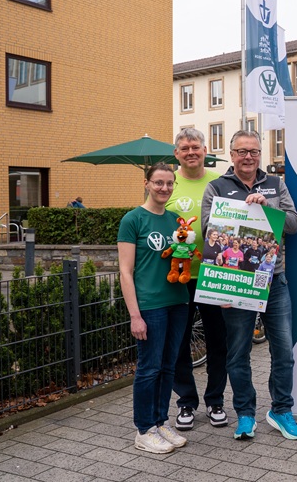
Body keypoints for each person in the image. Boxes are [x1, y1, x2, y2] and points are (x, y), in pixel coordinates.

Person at [201, 130, 297, 441]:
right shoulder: (216, 187)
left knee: (283, 350)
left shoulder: (276, 184)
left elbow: (295, 223)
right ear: (231, 155)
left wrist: (266, 210)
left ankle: (281, 410)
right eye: (242, 151)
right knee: (237, 352)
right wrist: (242, 213)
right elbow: (208, 230)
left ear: (260, 154)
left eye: (254, 151)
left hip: (275, 279)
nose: (248, 156)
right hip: (236, 282)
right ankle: (245, 414)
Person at [117, 162, 190, 454]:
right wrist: (135, 315)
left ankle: (161, 421)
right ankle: (144, 428)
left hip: (178, 301)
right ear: (146, 183)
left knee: (169, 365)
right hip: (150, 305)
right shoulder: (132, 219)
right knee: (149, 368)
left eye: (170, 183)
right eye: (158, 182)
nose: (164, 188)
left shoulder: (176, 220)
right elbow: (125, 271)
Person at [166, 128, 230, 431]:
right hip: (179, 277)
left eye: (196, 147)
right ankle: (186, 403)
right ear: (176, 153)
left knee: (218, 340)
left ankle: (215, 400)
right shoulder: (168, 184)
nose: (191, 152)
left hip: (214, 274)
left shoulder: (218, 184)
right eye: (184, 148)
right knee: (178, 340)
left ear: (205, 150)